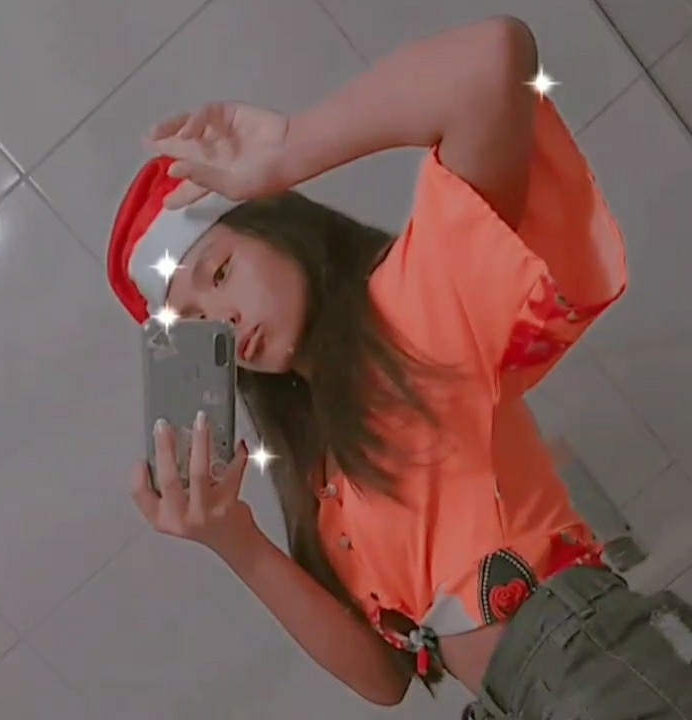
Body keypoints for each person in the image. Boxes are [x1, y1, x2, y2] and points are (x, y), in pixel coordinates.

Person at [107, 16, 692, 719]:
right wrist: (235, 540)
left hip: (583, 664)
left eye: (222, 272)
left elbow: (491, 59)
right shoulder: (319, 475)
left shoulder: (413, 305)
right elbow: (383, 680)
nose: (223, 321)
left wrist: (291, 147)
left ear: (278, 227)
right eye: (197, 321)